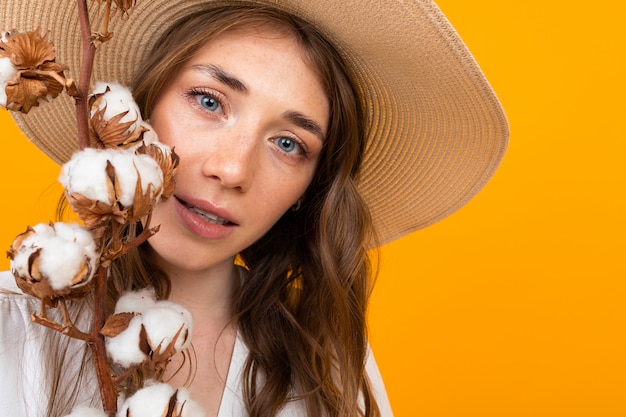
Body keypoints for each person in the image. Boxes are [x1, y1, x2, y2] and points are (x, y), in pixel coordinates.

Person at [0, 1, 509, 416]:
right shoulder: (15, 325)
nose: (234, 170)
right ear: (139, 107)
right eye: (209, 101)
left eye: (288, 144)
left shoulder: (323, 366)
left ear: (310, 190)